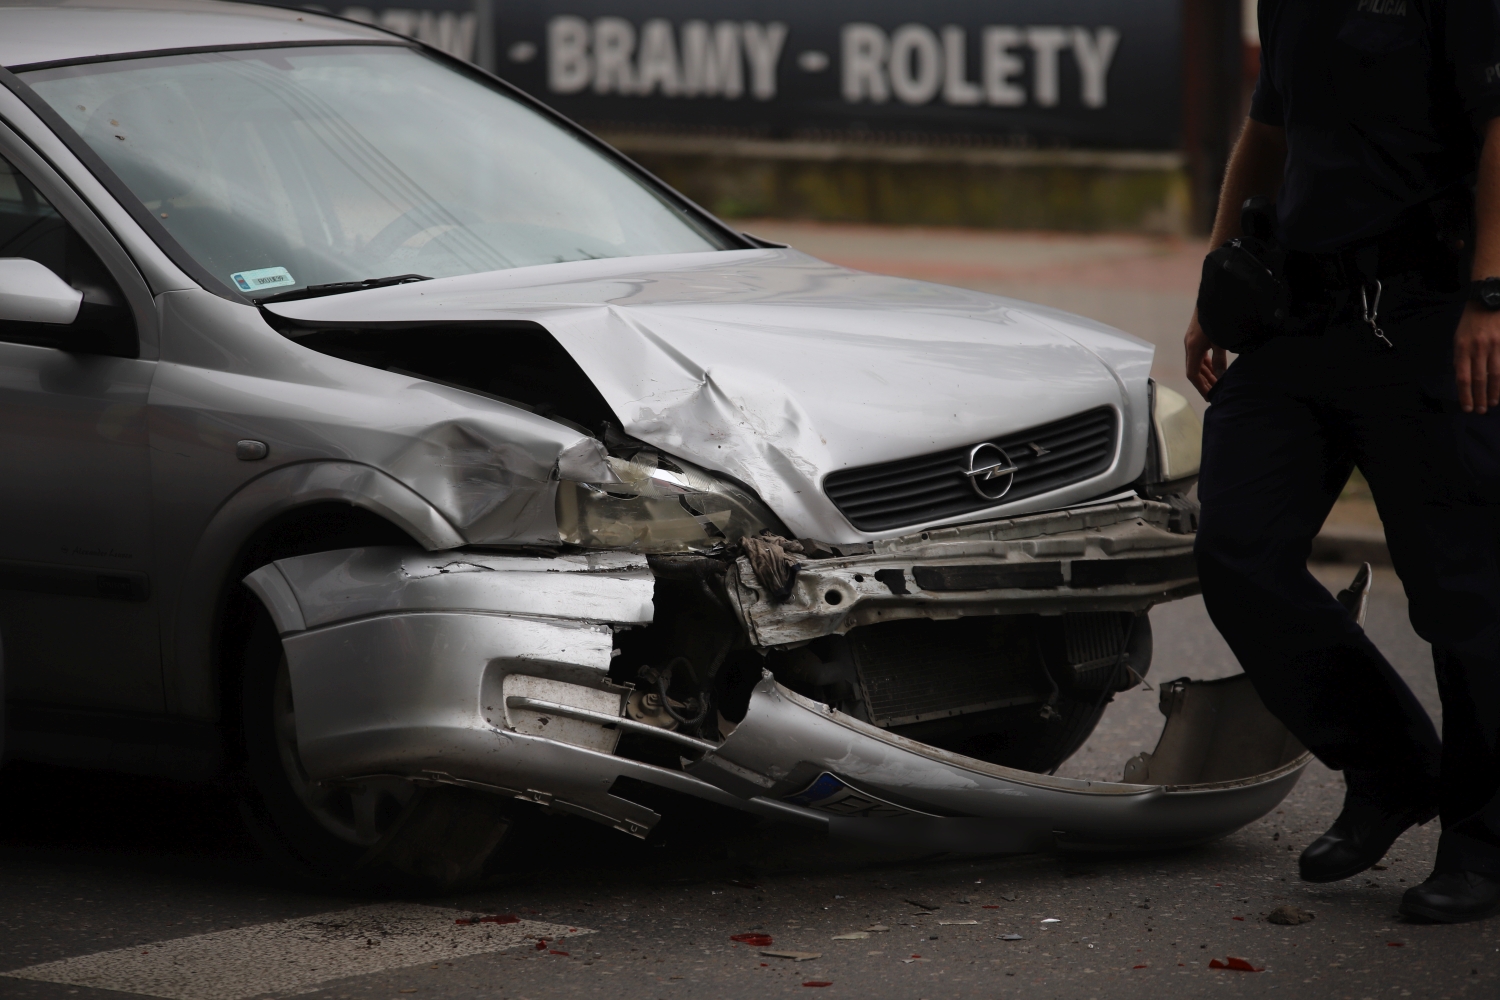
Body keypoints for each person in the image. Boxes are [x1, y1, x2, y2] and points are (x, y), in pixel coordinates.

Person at [1186, 0, 1500, 923]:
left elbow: (1498, 128)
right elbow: (1268, 126)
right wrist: (1218, 275)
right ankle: (1395, 768)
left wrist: (1490, 293)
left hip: (1430, 316)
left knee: (1462, 593)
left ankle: (1484, 842)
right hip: (1302, 316)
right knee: (1236, 549)